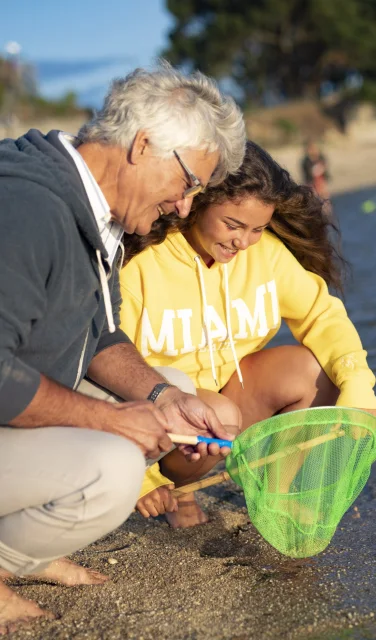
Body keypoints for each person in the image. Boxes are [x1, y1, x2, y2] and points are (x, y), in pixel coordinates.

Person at [0, 63, 246, 634]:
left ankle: (22, 555)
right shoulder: (27, 208)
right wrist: (110, 421)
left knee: (176, 395)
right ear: (142, 145)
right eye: (188, 183)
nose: (186, 208)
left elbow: (101, 336)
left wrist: (159, 396)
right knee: (112, 468)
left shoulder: (96, 212)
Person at [120, 141, 376, 529]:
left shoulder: (267, 254)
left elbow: (322, 315)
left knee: (315, 370)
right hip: (165, 417)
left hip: (235, 396)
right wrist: (143, 479)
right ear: (195, 203)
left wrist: (359, 387)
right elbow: (114, 370)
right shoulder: (142, 265)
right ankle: (179, 489)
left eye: (257, 228)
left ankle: (273, 489)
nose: (243, 242)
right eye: (233, 225)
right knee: (217, 414)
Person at [301, 139, 331, 204]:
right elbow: (309, 173)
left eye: (315, 148)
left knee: (325, 198)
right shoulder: (306, 161)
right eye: (311, 149)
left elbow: (325, 166)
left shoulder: (321, 157)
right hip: (311, 182)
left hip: (321, 181)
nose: (314, 150)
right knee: (314, 199)